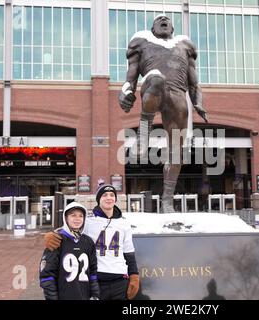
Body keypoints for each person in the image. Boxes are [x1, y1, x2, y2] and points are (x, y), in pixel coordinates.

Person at [118, 15, 208, 213]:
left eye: (167, 19)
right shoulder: (142, 41)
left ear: (173, 28)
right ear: (153, 27)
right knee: (156, 77)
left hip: (178, 97)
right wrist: (126, 90)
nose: (164, 20)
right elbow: (131, 75)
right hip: (153, 88)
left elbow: (194, 84)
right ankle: (143, 133)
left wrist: (198, 103)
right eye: (160, 19)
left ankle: (167, 200)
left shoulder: (184, 45)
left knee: (177, 152)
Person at [44, 185, 140, 300]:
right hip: (96, 280)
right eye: (104, 195)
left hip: (120, 280)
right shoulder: (89, 221)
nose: (108, 198)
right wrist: (52, 234)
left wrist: (134, 276)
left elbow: (129, 253)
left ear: (115, 199)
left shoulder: (124, 224)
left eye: (112, 195)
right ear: (98, 199)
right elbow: (70, 229)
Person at [39, 202, 100, 300]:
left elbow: (93, 272)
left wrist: (95, 294)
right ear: (66, 218)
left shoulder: (88, 241)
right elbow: (47, 276)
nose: (77, 219)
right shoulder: (56, 240)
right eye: (73, 215)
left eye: (81, 216)